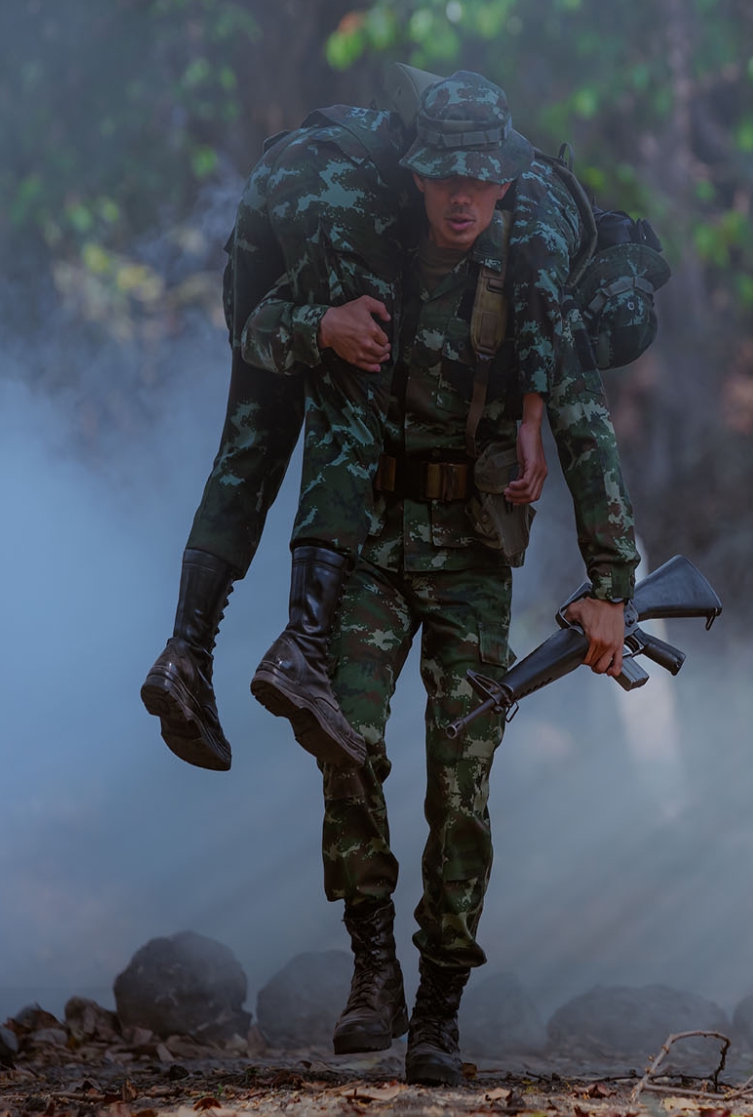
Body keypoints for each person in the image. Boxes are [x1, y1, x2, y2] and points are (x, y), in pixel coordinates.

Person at [237, 70, 639, 1084]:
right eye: (443, 177)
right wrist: (318, 327)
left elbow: (583, 431)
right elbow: (256, 328)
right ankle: (372, 964)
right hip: (368, 541)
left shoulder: (528, 278)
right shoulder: (369, 250)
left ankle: (440, 1012)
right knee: (344, 739)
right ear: (415, 178)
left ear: (504, 185)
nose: (461, 197)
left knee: (460, 785)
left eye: (480, 179)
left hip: (466, 553)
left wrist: (612, 582)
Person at [139, 68, 602, 774]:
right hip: (337, 194)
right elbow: (539, 291)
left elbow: (255, 333)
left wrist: (312, 322)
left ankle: (184, 653)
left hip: (278, 174)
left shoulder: (454, 123)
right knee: (351, 399)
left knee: (252, 438)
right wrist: (533, 407)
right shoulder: (531, 188)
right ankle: (306, 646)